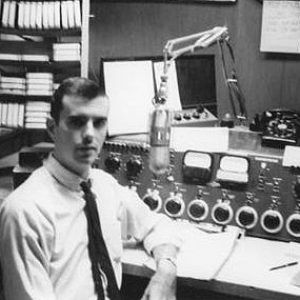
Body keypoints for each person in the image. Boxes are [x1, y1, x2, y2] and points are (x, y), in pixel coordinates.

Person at [0, 77, 182, 300]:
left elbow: (158, 226)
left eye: (99, 123)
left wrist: (165, 273)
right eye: (77, 122)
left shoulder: (104, 186)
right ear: (51, 128)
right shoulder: (24, 211)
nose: (89, 134)